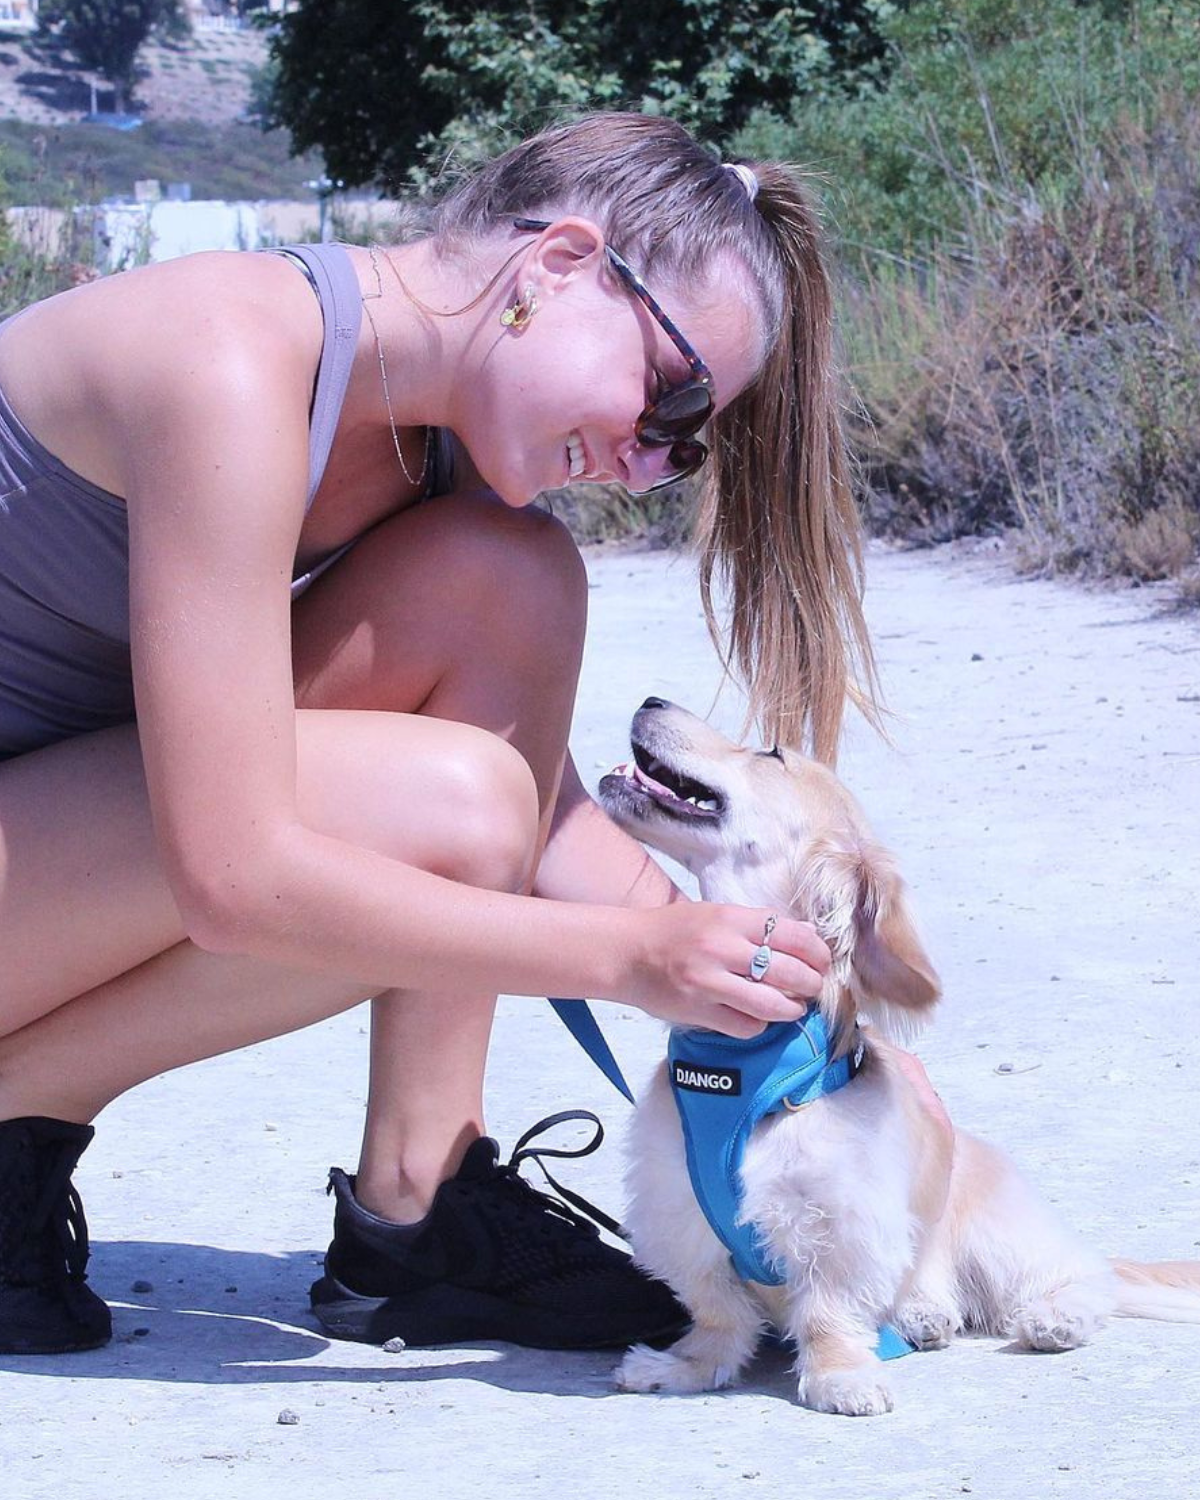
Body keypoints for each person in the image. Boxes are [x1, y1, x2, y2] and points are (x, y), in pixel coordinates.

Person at [0, 112, 879, 1357]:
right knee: (452, 810)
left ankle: (417, 1209)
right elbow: (241, 873)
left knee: (507, 580)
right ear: (559, 265)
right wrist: (629, 959)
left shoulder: (436, 454)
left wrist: (795, 995)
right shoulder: (225, 360)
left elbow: (545, 815)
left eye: (686, 444)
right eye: (667, 393)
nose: (645, 459)